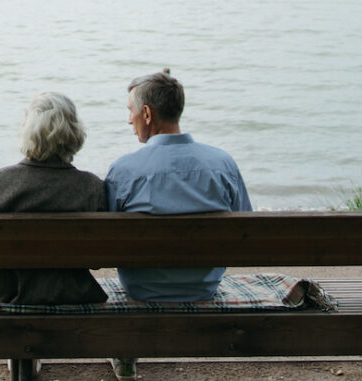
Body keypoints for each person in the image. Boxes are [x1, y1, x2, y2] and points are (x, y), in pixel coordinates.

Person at [104, 72, 252, 381]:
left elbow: (108, 240)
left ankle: (127, 354)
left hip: (142, 288)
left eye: (130, 112)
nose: (129, 121)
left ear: (147, 113)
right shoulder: (222, 163)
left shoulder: (124, 170)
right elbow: (245, 229)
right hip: (203, 285)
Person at [0, 91, 108, 306]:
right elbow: (96, 261)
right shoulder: (92, 187)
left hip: (10, 296)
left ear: (27, 131)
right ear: (74, 132)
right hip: (74, 296)